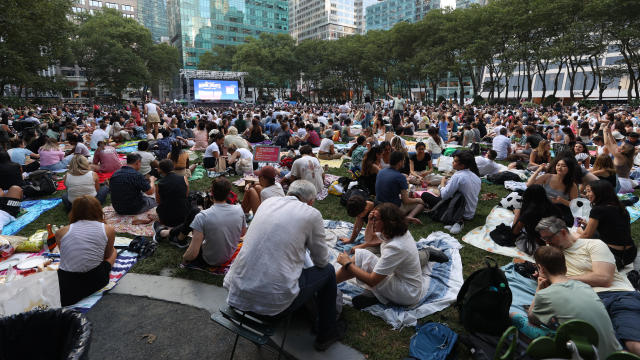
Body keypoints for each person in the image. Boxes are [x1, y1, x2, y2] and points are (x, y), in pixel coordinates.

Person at [224, 180, 345, 351]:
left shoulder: (268, 203)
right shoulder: (312, 214)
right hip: (274, 304)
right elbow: (322, 261)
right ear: (310, 201)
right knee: (328, 271)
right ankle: (326, 332)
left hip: (236, 291)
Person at [535, 216, 640, 355]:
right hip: (585, 303)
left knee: (633, 343)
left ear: (563, 232)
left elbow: (604, 278)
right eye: (544, 239)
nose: (547, 242)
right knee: (608, 350)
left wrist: (560, 278)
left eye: (549, 238)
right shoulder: (552, 254)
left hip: (617, 295)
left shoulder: (593, 245)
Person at [524, 246, 622, 359]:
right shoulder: (585, 286)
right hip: (616, 354)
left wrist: (538, 290)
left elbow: (532, 318)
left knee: (516, 318)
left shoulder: (544, 295)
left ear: (541, 268)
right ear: (565, 266)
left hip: (591, 356)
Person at [335, 203, 427, 309]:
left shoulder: (396, 247)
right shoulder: (394, 230)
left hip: (407, 293)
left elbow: (372, 280)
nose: (373, 221)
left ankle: (330, 282)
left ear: (387, 222)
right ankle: (333, 282)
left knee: (361, 257)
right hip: (401, 280)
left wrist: (347, 264)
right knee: (362, 254)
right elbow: (370, 239)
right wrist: (370, 221)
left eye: (376, 219)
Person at [56, 195, 117, 306]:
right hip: (96, 279)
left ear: (73, 211)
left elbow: (64, 255)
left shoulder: (61, 232)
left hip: (65, 285)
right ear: (98, 210)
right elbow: (106, 255)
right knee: (114, 251)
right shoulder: (108, 229)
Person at [182, 177, 246, 266]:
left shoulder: (202, 216)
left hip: (209, 259)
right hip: (229, 254)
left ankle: (176, 236)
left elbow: (192, 254)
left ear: (212, 193)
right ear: (229, 193)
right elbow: (242, 234)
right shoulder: (239, 209)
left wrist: (185, 258)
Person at [578, 180, 637, 269]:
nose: (586, 194)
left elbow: (586, 235)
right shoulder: (620, 207)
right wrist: (587, 224)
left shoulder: (598, 210)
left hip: (614, 256)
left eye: (589, 191)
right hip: (630, 254)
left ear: (599, 192)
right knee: (586, 229)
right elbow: (611, 227)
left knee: (581, 234)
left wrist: (572, 243)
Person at [421, 150, 481, 234]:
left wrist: (442, 183)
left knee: (425, 195)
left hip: (459, 212)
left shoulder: (458, 176)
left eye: (455, 161)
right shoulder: (476, 177)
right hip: (470, 212)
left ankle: (457, 221)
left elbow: (444, 195)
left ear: (462, 165)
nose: (453, 162)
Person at [511, 185, 566, 254]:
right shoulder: (554, 208)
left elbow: (515, 231)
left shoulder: (529, 212)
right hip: (558, 240)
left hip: (539, 245)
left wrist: (517, 215)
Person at [375, 151, 425, 224]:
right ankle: (409, 217)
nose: (404, 162)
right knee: (420, 205)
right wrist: (418, 200)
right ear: (400, 162)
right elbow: (406, 201)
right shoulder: (400, 177)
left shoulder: (381, 172)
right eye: (404, 160)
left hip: (379, 205)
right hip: (392, 209)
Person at [526, 157, 578, 222]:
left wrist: (562, 201)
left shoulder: (572, 185)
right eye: (558, 165)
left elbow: (575, 205)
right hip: (543, 205)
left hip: (559, 208)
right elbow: (529, 185)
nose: (559, 167)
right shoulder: (548, 176)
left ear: (570, 169)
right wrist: (538, 170)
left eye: (563, 166)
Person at [154, 159, 189, 229]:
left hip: (166, 219)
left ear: (160, 170)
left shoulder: (159, 184)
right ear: (173, 167)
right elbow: (186, 195)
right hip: (183, 217)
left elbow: (158, 202)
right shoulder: (184, 178)